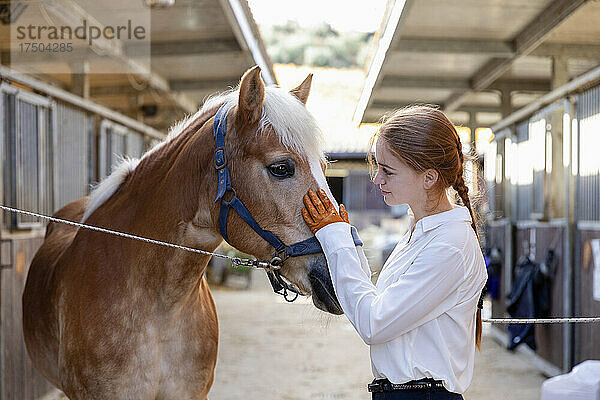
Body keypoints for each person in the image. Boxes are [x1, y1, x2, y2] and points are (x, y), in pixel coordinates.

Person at [302, 106, 488, 399]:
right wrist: (345, 239)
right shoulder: (421, 230)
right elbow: (376, 300)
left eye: (388, 171)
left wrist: (336, 239)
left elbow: (374, 324)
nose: (377, 179)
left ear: (429, 177)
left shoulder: (449, 245)